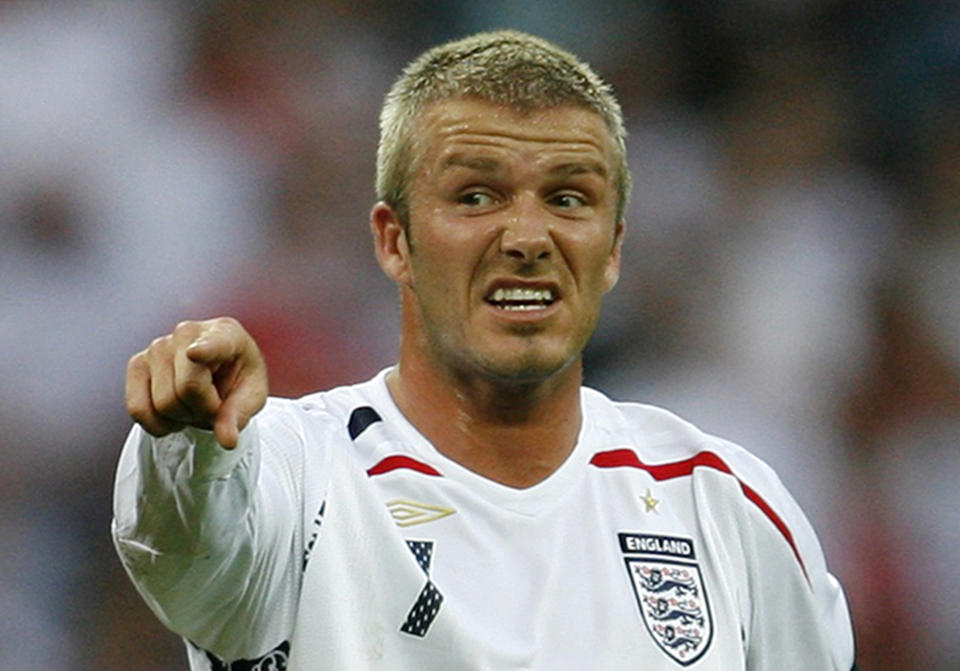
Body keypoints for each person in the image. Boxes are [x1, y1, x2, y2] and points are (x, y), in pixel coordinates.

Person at [112, 30, 859, 670]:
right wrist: (191, 437)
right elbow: (182, 550)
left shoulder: (724, 503)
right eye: (476, 196)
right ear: (393, 239)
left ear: (612, 250)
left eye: (568, 198)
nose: (528, 239)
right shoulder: (295, 472)